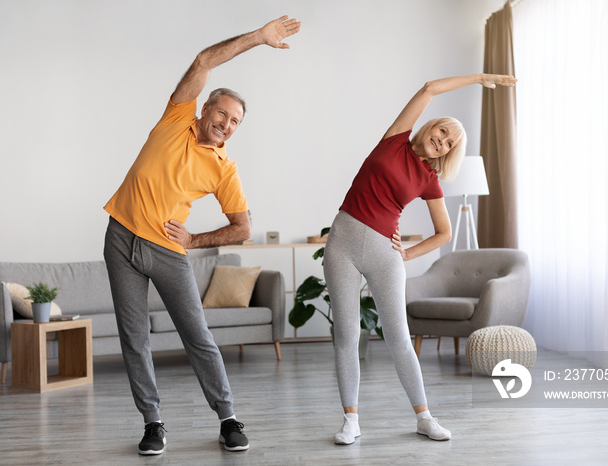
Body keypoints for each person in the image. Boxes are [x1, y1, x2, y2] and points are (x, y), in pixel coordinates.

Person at [102, 15, 301, 455]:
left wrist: (194, 241)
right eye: (223, 114)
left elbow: (243, 228)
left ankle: (228, 418)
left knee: (198, 337)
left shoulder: (224, 168)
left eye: (235, 122)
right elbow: (204, 59)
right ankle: (153, 423)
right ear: (206, 107)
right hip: (119, 237)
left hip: (169, 251)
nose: (227, 124)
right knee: (133, 337)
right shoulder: (176, 118)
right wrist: (258, 38)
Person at [323, 73, 517, 445]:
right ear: (431, 126)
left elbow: (444, 233)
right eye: (441, 131)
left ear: (447, 153)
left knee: (397, 336)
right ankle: (351, 420)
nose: (441, 141)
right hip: (342, 245)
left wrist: (408, 253)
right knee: (346, 335)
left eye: (448, 143)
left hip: (384, 253)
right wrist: (480, 78)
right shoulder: (395, 139)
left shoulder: (430, 179)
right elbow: (429, 88)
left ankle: (424, 417)